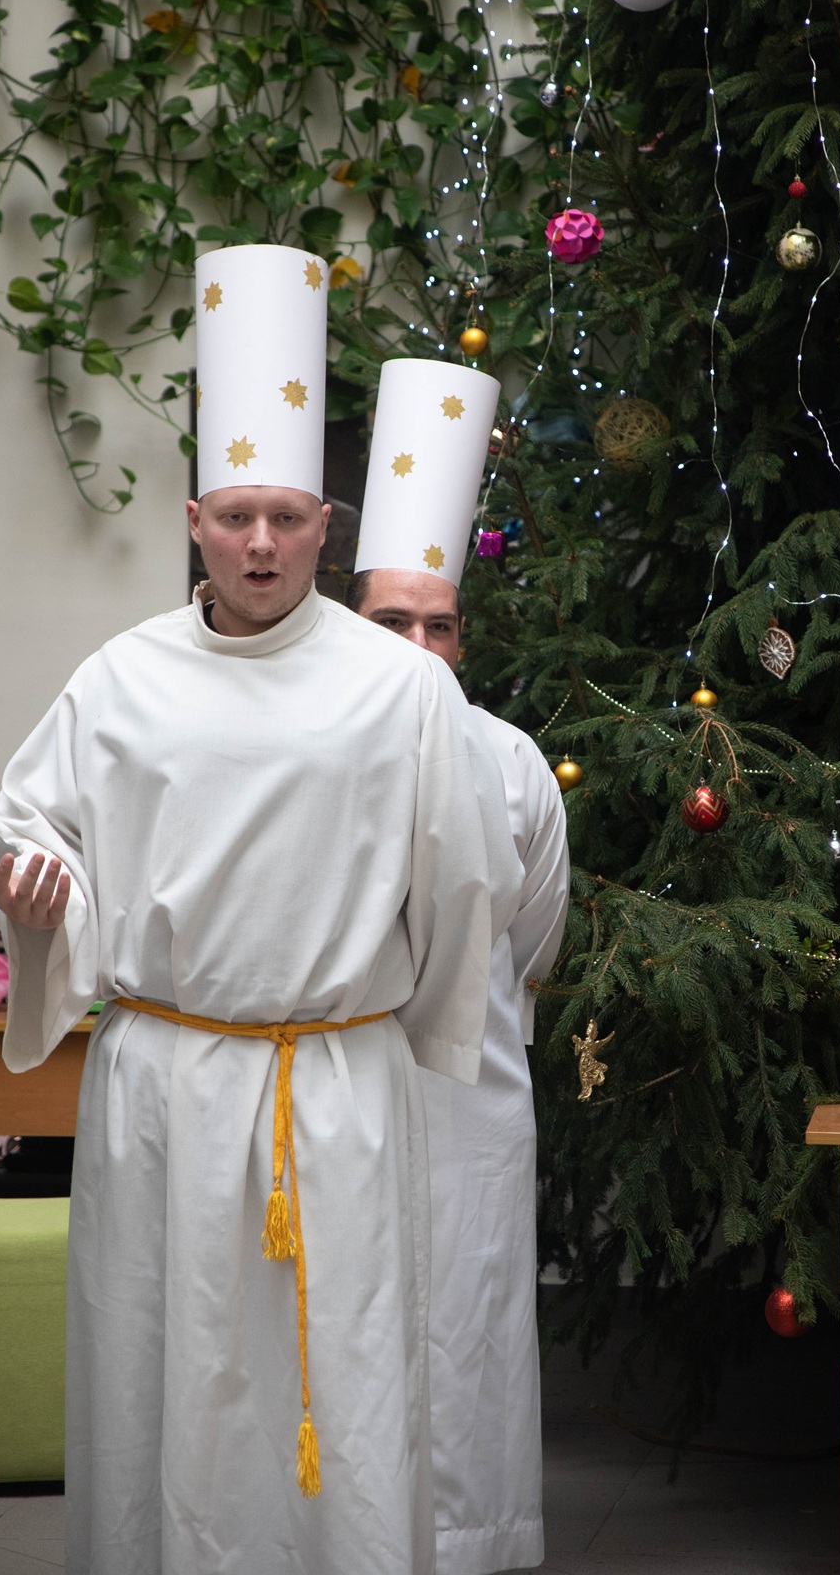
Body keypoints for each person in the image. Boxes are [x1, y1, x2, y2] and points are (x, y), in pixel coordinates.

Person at [0, 248, 521, 1575]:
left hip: (334, 1093)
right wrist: (46, 902)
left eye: (283, 516)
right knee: (158, 1368)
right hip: (160, 1093)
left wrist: (407, 1041)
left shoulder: (401, 690)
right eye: (233, 516)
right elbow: (38, 832)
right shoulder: (119, 678)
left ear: (326, 524)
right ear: (194, 521)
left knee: (342, 1376)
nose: (259, 544)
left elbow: (463, 881)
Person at [348, 354, 570, 1575]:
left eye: (441, 625)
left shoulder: (516, 763)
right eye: (395, 623)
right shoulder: (302, 754)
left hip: (472, 1108)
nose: (422, 648)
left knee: (465, 1336)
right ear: (350, 623)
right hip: (332, 1107)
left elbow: (532, 940)